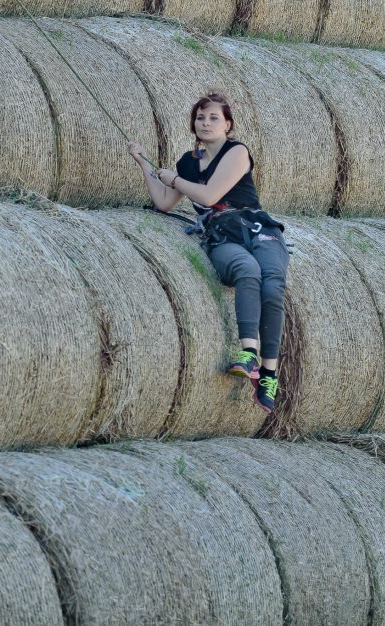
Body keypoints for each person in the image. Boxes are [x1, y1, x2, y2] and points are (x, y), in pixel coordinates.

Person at [126, 92, 289, 413]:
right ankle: (248, 354)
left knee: (272, 285)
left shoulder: (236, 151)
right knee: (246, 270)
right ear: (193, 124)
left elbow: (211, 193)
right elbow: (164, 201)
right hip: (221, 233)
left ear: (228, 124)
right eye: (200, 118)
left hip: (258, 229)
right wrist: (144, 163)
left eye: (214, 118)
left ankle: (269, 374)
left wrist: (173, 179)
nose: (206, 123)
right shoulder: (186, 164)